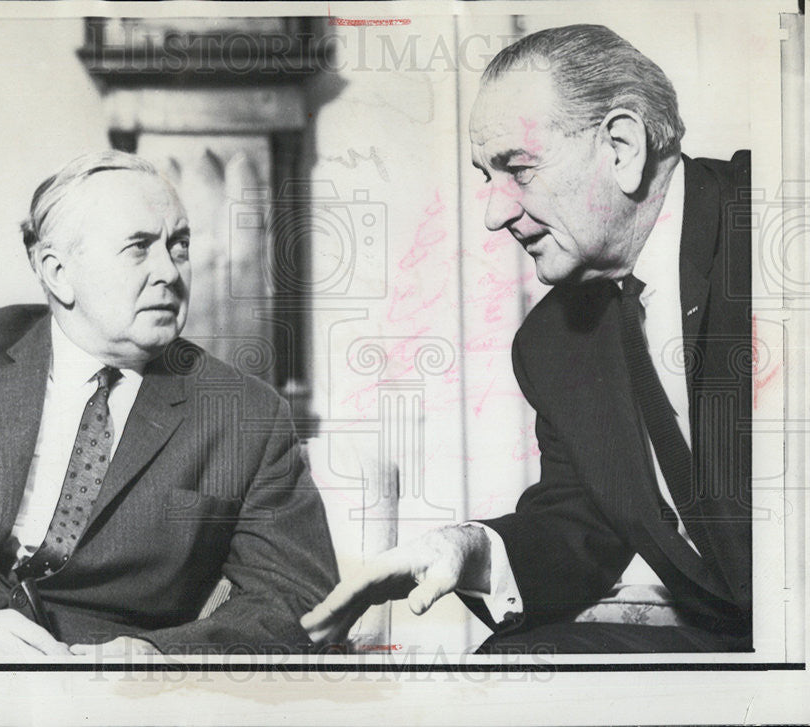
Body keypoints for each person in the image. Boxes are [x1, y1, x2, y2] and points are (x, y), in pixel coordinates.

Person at [302, 24, 751, 653]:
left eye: (519, 169)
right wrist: (470, 548)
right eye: (489, 177)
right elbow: (582, 526)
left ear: (621, 146)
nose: (495, 212)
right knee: (506, 669)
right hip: (741, 646)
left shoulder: (775, 222)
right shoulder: (551, 344)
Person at [0, 151, 338, 657]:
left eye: (178, 245)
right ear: (58, 273)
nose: (170, 270)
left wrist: (157, 655)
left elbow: (297, 598)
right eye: (139, 247)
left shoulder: (243, 414)